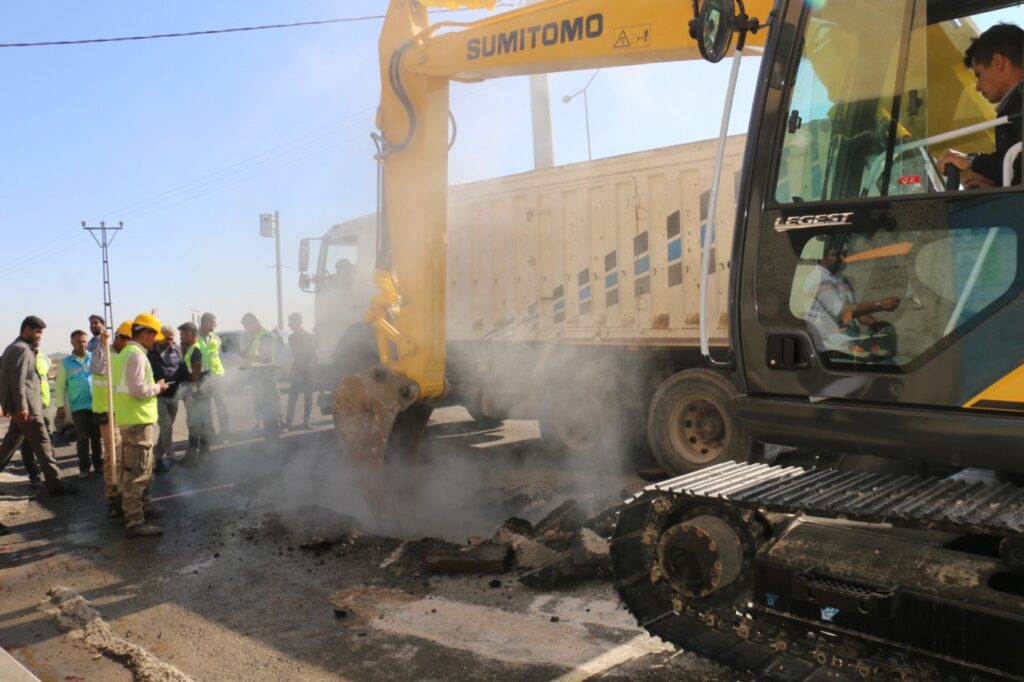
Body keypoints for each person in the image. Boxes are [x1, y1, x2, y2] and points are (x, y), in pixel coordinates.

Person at [0, 316, 78, 497]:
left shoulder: (15, 348)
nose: (40, 337)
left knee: (10, 445)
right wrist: (21, 407)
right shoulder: (21, 350)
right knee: (43, 443)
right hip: (28, 410)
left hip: (23, 409)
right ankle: (55, 482)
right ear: (27, 329)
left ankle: (54, 481)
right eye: (37, 332)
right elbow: (18, 381)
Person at [938, 23, 1022, 188]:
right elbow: (1017, 169)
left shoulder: (1018, 106)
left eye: (979, 74)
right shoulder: (1013, 107)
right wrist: (996, 186)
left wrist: (971, 160)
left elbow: (1017, 165)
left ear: (998, 62)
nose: (977, 87)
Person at [112, 313, 169, 538]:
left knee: (144, 467)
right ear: (144, 334)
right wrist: (158, 387)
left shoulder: (125, 353)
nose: (156, 340)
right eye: (154, 335)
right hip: (137, 421)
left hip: (131, 419)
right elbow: (138, 391)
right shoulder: (136, 356)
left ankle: (145, 506)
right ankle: (135, 521)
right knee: (137, 473)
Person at [804, 238, 901, 359]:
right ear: (822, 258)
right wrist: (879, 305)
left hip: (850, 347)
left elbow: (855, 312)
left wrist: (874, 324)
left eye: (843, 254)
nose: (841, 258)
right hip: (832, 351)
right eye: (836, 255)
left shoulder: (840, 278)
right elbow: (840, 312)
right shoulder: (818, 279)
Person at [91, 320, 132, 511]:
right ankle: (112, 497)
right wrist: (101, 344)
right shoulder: (105, 352)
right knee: (112, 457)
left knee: (123, 456)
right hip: (108, 414)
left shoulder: (124, 355)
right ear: (120, 338)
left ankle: (123, 493)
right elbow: (97, 368)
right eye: (129, 341)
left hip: (122, 412)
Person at [56, 330, 102, 478]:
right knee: (82, 438)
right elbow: (59, 386)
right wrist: (60, 406)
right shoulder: (65, 364)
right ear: (72, 343)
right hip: (79, 407)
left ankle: (99, 465)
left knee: (97, 437)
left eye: (84, 341)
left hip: (97, 404)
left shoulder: (94, 358)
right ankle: (84, 468)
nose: (82, 344)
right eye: (78, 341)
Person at [148, 326, 187, 473]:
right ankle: (171, 457)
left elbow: (182, 370)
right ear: (159, 336)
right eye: (168, 338)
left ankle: (156, 458)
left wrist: (186, 392)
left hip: (174, 395)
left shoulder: (176, 350)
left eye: (173, 339)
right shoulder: (149, 352)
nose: (171, 342)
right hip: (158, 397)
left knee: (167, 430)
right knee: (166, 427)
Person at [240, 313, 280, 441]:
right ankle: (270, 441)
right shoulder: (255, 336)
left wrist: (248, 356)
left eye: (247, 326)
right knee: (265, 411)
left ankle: (273, 443)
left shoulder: (266, 336)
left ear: (254, 322)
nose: (246, 329)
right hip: (260, 380)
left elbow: (267, 359)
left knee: (270, 413)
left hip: (267, 380)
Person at [18, 336, 52, 489]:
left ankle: (52, 475)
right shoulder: (23, 355)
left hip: (44, 405)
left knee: (48, 440)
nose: (37, 341)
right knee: (27, 442)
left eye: (40, 339)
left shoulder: (45, 357)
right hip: (29, 406)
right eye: (35, 338)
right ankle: (34, 474)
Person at [178, 322, 212, 462]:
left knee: (194, 424)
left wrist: (188, 394)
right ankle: (204, 452)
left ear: (190, 334)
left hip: (196, 394)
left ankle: (192, 455)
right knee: (202, 422)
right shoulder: (199, 348)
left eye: (182, 334)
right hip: (202, 393)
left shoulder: (195, 350)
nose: (180, 338)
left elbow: (195, 375)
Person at [196, 313, 229, 442]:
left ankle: (225, 435)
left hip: (218, 377)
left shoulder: (216, 338)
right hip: (203, 378)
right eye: (214, 322)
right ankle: (211, 436)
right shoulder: (194, 338)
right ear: (206, 322)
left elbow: (218, 357)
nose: (216, 324)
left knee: (223, 407)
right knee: (206, 410)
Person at [285, 312, 315, 431]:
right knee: (292, 398)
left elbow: (311, 354)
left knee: (308, 398)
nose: (289, 325)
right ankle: (288, 423)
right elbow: (299, 353)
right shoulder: (291, 337)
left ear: (298, 322)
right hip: (297, 370)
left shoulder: (308, 336)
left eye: (291, 322)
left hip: (308, 371)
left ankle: (306, 422)